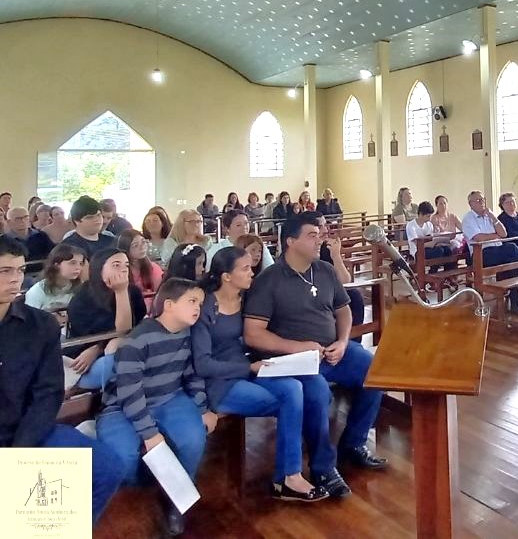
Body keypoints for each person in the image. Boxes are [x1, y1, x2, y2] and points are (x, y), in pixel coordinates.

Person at [244, 212, 387, 498]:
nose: (319, 238)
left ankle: (354, 443)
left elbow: (343, 309)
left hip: (332, 352)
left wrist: (344, 341)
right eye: (312, 235)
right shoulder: (269, 280)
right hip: (295, 359)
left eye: (319, 233)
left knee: (375, 369)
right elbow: (253, 334)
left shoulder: (323, 269)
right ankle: (323, 467)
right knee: (318, 392)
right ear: (290, 242)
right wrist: (298, 347)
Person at [0, 237, 124, 525]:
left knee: (107, 467)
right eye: (5, 271)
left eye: (19, 271)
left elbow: (48, 393)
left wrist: (19, 454)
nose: (15, 279)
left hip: (28, 431)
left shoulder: (40, 325)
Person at [192, 247, 328, 502]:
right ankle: (289, 475)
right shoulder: (205, 306)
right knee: (290, 401)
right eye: (244, 268)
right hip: (219, 381)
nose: (252, 271)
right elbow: (202, 364)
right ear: (226, 276)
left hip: (248, 369)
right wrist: (248, 367)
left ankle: (289, 474)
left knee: (293, 388)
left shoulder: (246, 299)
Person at [97, 278, 217, 535]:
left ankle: (177, 499)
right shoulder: (137, 340)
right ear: (170, 305)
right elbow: (129, 392)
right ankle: (145, 491)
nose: (198, 308)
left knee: (193, 438)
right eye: (192, 302)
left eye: (200, 303)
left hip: (169, 397)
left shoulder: (187, 332)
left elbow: (192, 375)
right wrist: (150, 434)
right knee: (123, 456)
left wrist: (202, 407)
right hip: (122, 406)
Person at [66, 248, 147, 389]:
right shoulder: (82, 298)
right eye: (116, 265)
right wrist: (120, 292)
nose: (123, 270)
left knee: (119, 345)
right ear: (99, 269)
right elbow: (86, 340)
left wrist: (121, 292)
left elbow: (127, 333)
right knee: (116, 347)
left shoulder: (133, 292)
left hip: (127, 353)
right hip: (85, 364)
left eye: (126, 265)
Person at [461, 190, 518, 316]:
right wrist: (495, 236)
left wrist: (493, 217)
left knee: (511, 266)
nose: (482, 202)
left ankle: (515, 303)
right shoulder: (468, 219)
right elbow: (479, 238)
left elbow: (503, 234)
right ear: (471, 204)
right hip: (481, 254)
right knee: (511, 248)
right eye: (478, 200)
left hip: (497, 252)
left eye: (483, 199)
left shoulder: (489, 216)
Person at [316, 214, 365, 343]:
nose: (325, 230)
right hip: (314, 293)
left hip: (330, 292)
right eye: (320, 226)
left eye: (325, 225)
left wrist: (336, 256)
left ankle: (353, 342)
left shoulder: (327, 248)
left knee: (354, 296)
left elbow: (345, 280)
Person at [24, 243, 87, 319]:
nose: (78, 268)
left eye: (81, 263)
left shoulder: (80, 288)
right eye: (72, 263)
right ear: (56, 264)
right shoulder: (37, 291)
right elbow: (29, 320)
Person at [208, 210, 274, 272]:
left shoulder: (257, 245)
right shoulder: (216, 249)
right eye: (238, 225)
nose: (244, 227)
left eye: (246, 223)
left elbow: (271, 269)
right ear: (227, 228)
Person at [116, 229, 164, 308]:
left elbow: (159, 294)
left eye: (143, 242)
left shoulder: (153, 267)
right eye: (135, 245)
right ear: (126, 249)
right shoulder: (121, 270)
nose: (142, 247)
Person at [406, 201, 455, 274]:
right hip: (417, 251)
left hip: (429, 247)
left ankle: (449, 274)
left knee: (448, 250)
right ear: (421, 214)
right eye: (427, 216)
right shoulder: (411, 225)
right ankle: (432, 273)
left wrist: (437, 241)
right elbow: (417, 244)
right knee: (438, 251)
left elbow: (429, 238)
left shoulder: (429, 225)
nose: (429, 219)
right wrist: (433, 243)